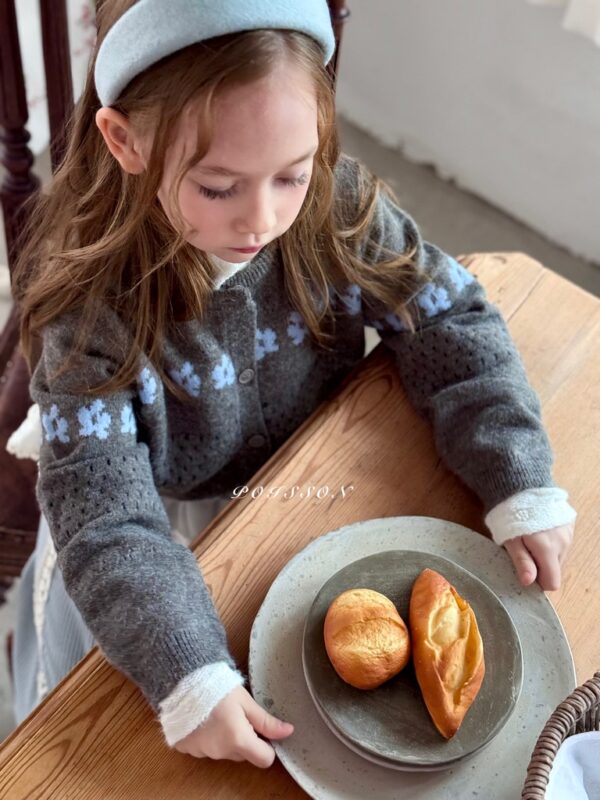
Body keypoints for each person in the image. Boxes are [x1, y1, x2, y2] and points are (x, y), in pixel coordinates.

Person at [10, 0, 575, 770]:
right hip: (159, 530)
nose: (263, 219)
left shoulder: (335, 207)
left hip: (310, 487)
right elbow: (108, 519)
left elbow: (448, 317)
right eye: (217, 187)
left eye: (292, 174)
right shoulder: (90, 310)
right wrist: (189, 673)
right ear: (124, 139)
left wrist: (517, 474)